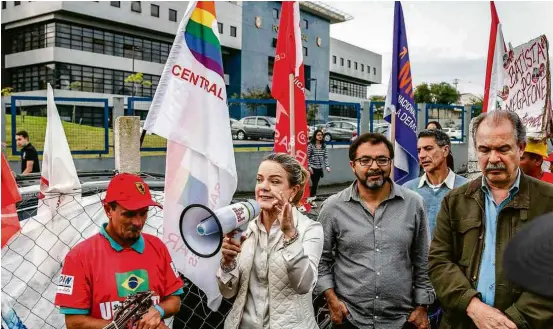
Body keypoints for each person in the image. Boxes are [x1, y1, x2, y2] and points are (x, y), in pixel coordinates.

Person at [428, 110, 553, 329]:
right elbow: (439, 262)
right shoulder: (455, 201)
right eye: (484, 149)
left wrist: (510, 321)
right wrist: (472, 305)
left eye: (503, 149)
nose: (493, 158)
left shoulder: (548, 201)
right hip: (462, 322)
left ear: (521, 147)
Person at [317, 133, 435, 329]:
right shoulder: (333, 207)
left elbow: (423, 259)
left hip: (402, 320)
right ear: (352, 165)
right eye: (365, 160)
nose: (374, 167)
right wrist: (331, 299)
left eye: (382, 159)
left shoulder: (413, 204)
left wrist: (423, 306)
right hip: (350, 319)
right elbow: (321, 260)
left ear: (390, 163)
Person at [55, 173, 183, 329]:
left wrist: (158, 310)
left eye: (143, 213)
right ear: (108, 210)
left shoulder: (157, 247)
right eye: (129, 214)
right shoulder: (80, 257)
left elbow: (175, 301)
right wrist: (129, 326)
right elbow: (74, 323)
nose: (138, 222)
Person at [217, 153, 324, 329]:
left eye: (274, 182)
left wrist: (290, 235)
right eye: (260, 180)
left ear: (294, 190)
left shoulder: (310, 229)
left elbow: (304, 285)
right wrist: (227, 263)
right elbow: (227, 292)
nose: (264, 187)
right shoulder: (244, 226)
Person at [404, 129, 469, 235]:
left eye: (428, 149)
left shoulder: (467, 188)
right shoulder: (409, 189)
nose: (422, 155)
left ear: (445, 151)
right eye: (419, 151)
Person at [307, 129, 331, 207]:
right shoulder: (311, 145)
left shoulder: (323, 145)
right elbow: (307, 156)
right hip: (312, 167)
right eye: (318, 135)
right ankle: (311, 200)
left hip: (319, 168)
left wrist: (327, 166)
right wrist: (309, 166)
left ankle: (311, 199)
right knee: (314, 184)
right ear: (315, 136)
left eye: (321, 135)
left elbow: (325, 157)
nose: (320, 136)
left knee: (315, 184)